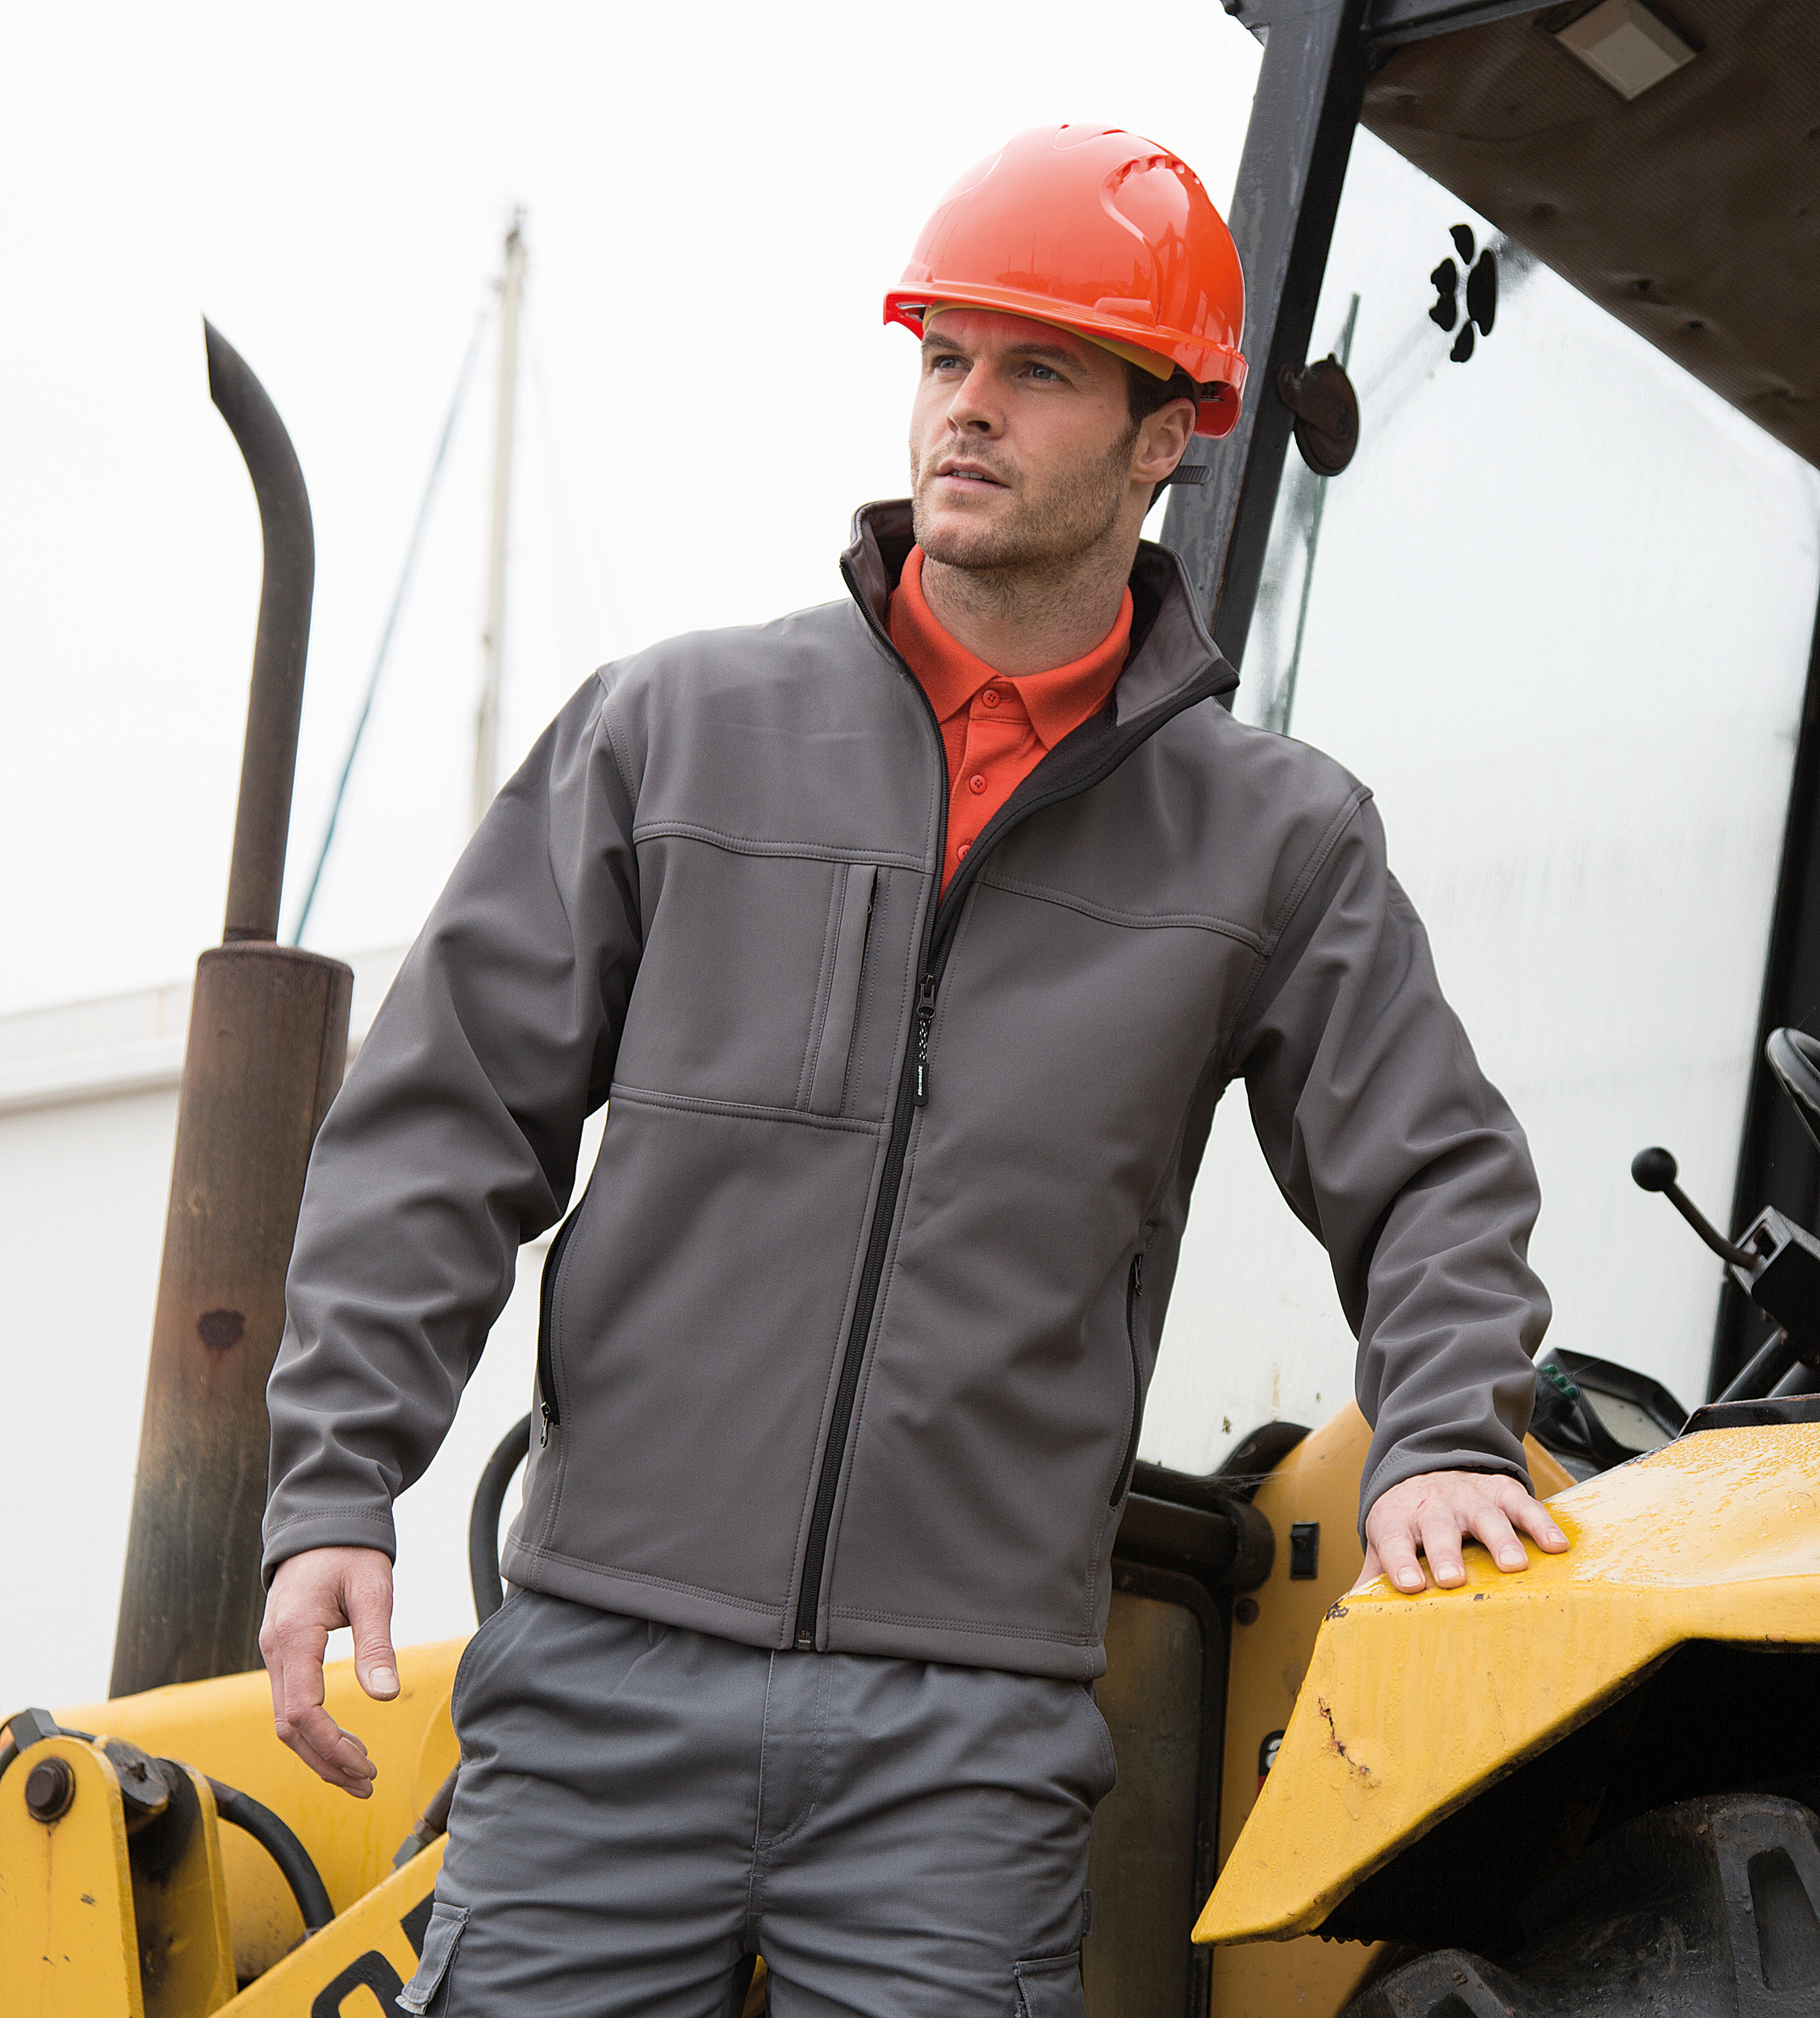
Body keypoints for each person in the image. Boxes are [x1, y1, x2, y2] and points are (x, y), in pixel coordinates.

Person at [258, 124, 1567, 2016]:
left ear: (1163, 434)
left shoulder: (1275, 840)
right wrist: (332, 1487)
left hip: (964, 1740)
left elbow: (1434, 1167)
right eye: (945, 354)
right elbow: (441, 1121)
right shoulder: (673, 733)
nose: (967, 406)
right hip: (603, 1675)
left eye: (1037, 366)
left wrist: (1443, 1428)